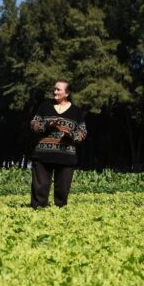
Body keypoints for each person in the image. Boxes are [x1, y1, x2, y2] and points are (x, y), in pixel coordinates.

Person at [30, 80, 87, 208]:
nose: (55, 92)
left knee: (62, 194)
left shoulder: (76, 112)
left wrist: (71, 135)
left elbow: (82, 132)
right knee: (40, 191)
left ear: (67, 93)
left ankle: (59, 219)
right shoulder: (44, 106)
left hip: (66, 157)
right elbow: (34, 125)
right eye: (54, 89)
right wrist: (48, 124)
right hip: (43, 156)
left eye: (58, 90)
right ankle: (37, 216)